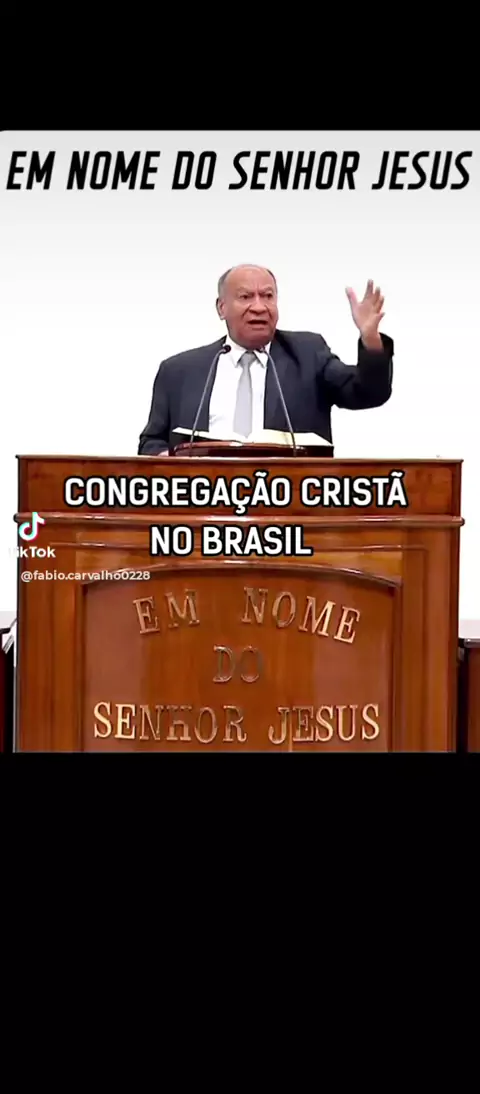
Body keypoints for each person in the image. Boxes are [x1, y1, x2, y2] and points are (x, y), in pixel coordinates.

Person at [137, 264, 393, 454]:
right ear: (222, 308)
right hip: (204, 496)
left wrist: (370, 339)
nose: (259, 307)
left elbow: (369, 392)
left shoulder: (308, 354)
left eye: (268, 296)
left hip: (291, 498)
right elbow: (152, 442)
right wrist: (166, 462)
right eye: (245, 297)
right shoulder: (179, 371)